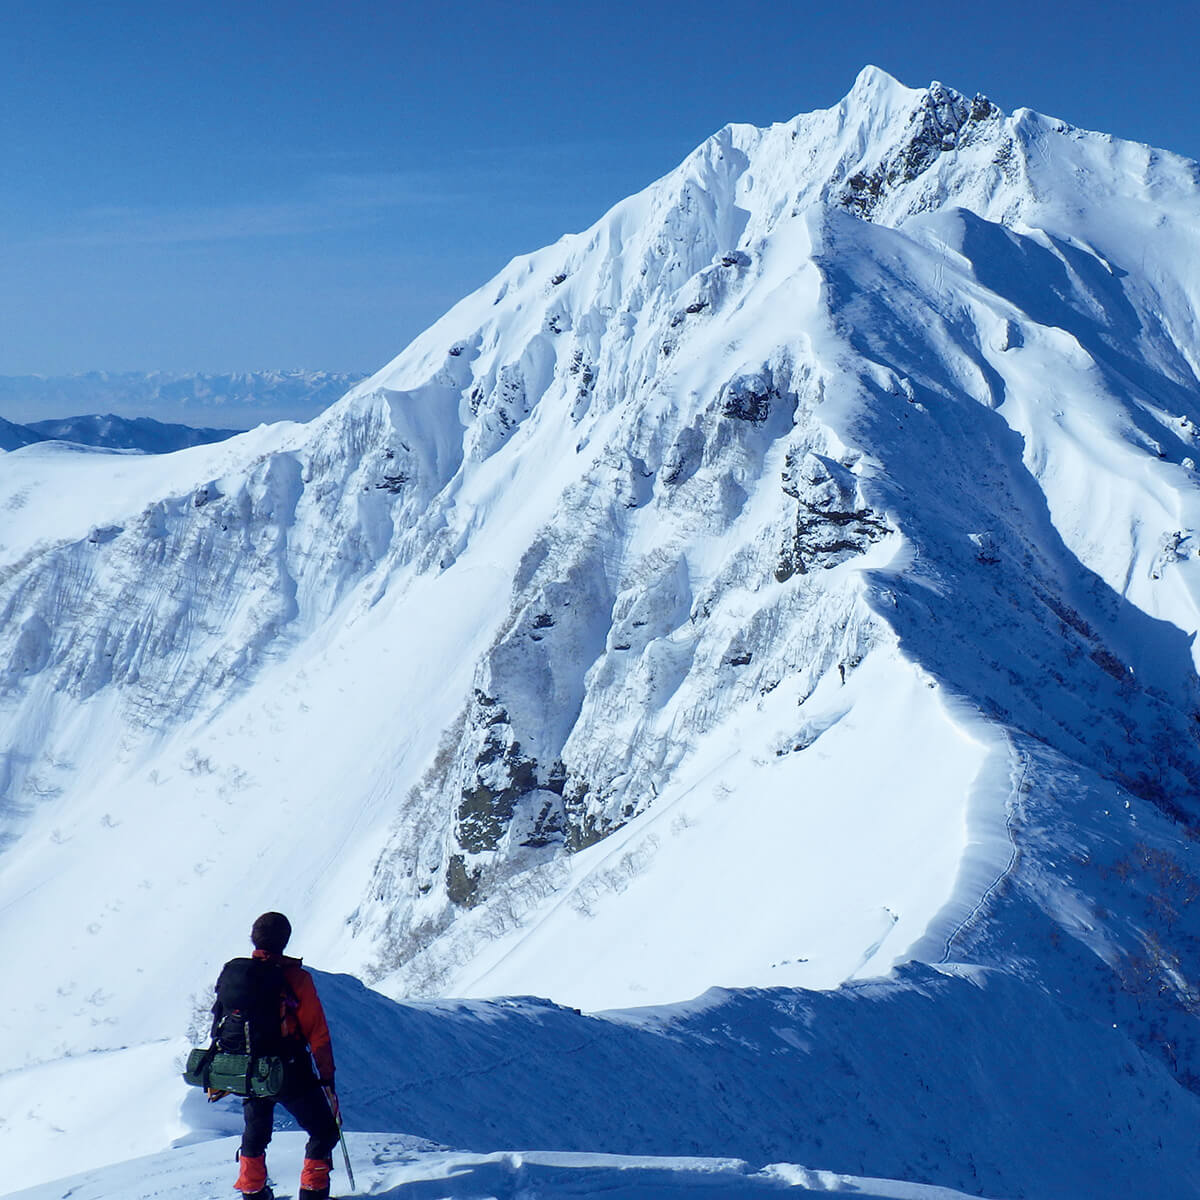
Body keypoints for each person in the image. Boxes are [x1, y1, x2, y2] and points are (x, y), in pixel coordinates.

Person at [211, 912, 341, 1200]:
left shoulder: (236, 973)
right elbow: (316, 1032)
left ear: (253, 938)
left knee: (255, 1135)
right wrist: (326, 1074)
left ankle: (253, 1192)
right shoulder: (296, 978)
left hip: (247, 1069)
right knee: (324, 1131)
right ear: (285, 941)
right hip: (288, 1069)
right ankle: (312, 1193)